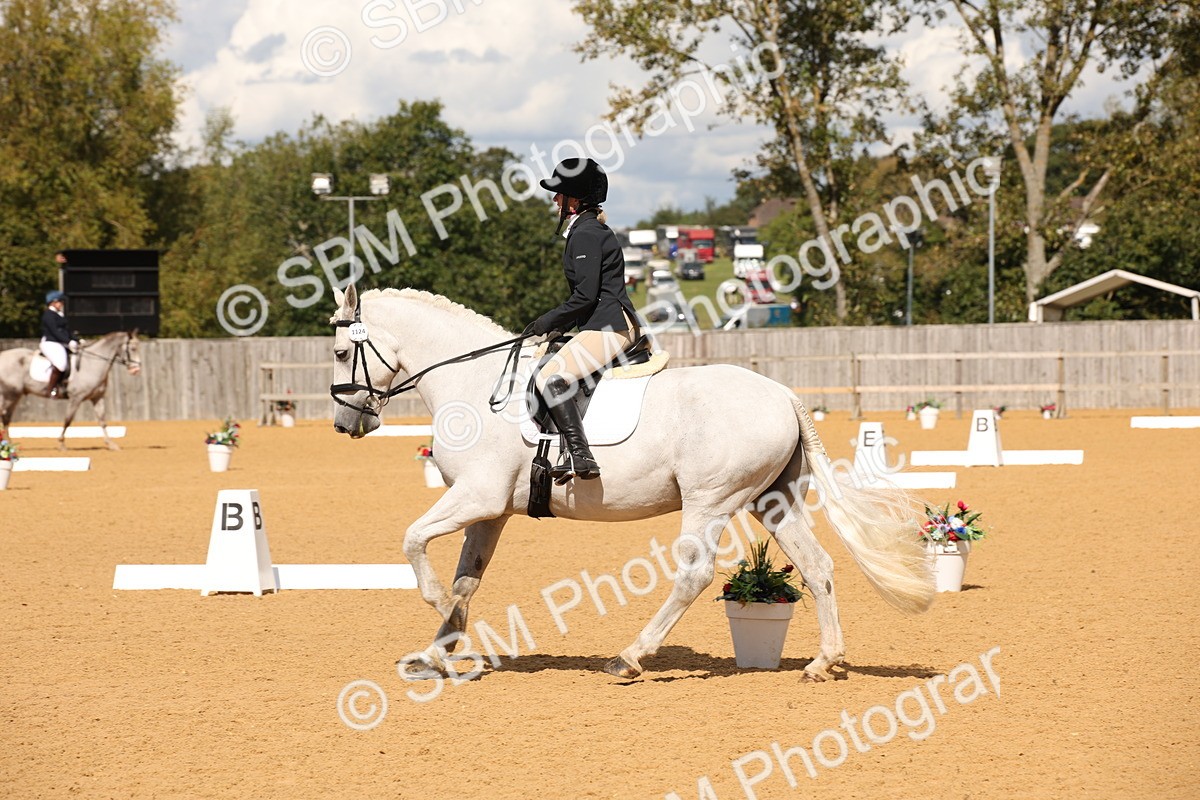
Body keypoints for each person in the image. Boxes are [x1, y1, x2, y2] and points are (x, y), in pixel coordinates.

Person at [527, 158, 641, 483]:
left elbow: (586, 296)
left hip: (610, 325)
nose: (555, 200)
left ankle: (580, 454)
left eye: (559, 194)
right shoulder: (585, 230)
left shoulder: (587, 234)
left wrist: (546, 321)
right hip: (602, 323)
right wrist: (560, 327)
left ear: (574, 200)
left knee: (551, 377)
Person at [40, 290, 78, 398]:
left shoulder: (59, 315)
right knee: (60, 364)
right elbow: (55, 332)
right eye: (60, 301)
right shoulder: (48, 315)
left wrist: (77, 340)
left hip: (60, 342)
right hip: (51, 342)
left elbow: (67, 331)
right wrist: (68, 341)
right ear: (53, 302)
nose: (62, 304)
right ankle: (50, 389)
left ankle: (64, 385)